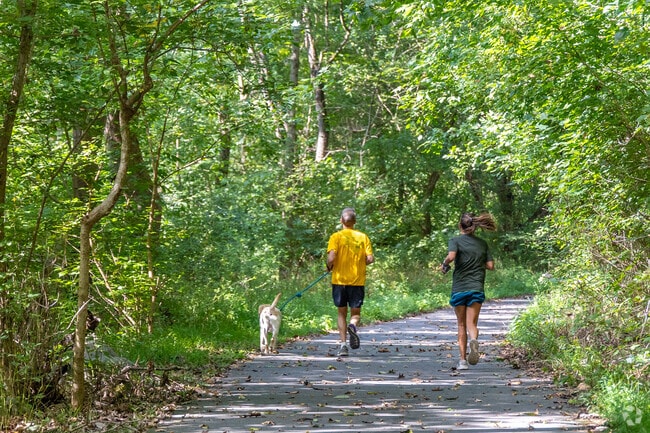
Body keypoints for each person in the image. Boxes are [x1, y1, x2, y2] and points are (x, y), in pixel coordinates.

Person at [441, 212, 497, 370]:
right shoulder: (482, 243)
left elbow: (451, 256)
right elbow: (491, 266)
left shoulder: (455, 241)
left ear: (460, 226)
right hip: (476, 287)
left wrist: (444, 264)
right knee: (471, 323)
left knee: (460, 325)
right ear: (475, 227)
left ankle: (463, 361)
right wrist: (478, 262)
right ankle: (474, 339)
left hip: (459, 288)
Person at [326, 208, 374, 357]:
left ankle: (343, 345)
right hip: (357, 281)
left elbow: (331, 257)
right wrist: (361, 262)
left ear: (341, 220)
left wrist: (329, 266)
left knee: (341, 312)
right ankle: (352, 326)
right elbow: (370, 258)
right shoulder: (363, 237)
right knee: (355, 313)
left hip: (339, 281)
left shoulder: (336, 237)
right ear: (354, 222)